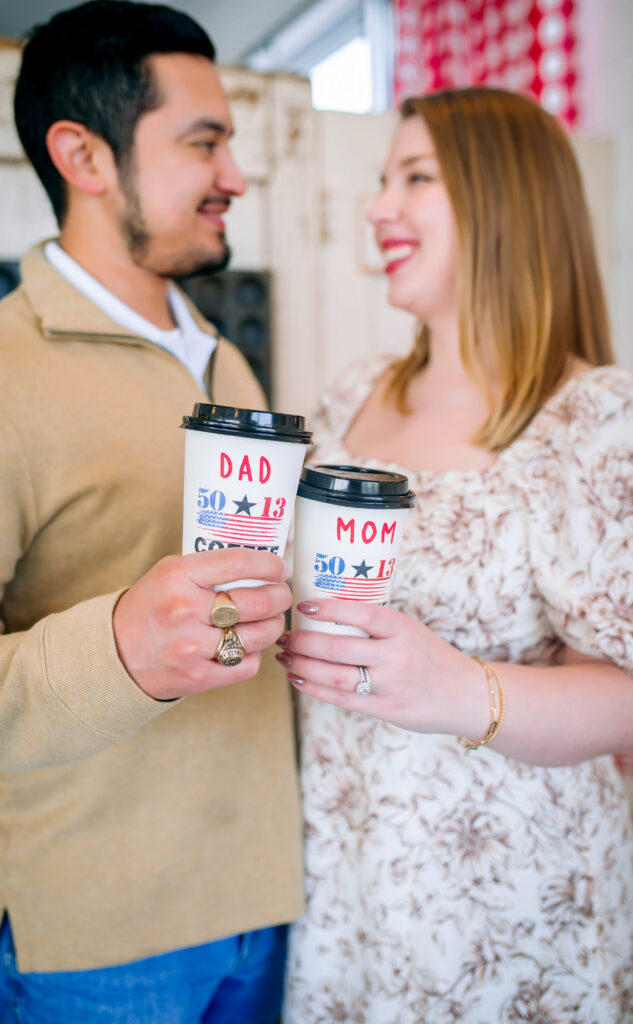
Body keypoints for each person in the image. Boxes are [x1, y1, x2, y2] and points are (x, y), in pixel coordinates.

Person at [0, 2, 304, 1021]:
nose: (234, 175)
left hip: (265, 903)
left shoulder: (228, 361)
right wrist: (118, 645)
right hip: (98, 943)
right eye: (205, 142)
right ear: (84, 156)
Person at [278, 87, 633, 1022]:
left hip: (514, 909)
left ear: (504, 199)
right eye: (380, 179)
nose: (376, 207)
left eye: (415, 178)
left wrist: (453, 689)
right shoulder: (347, 398)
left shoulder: (592, 417)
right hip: (345, 888)